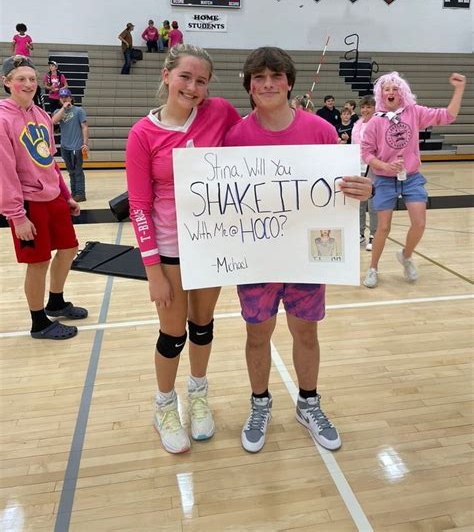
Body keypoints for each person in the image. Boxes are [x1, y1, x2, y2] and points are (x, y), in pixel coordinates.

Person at [223, 47, 372, 453]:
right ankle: (260, 404)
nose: (267, 84)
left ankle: (309, 402)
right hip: (257, 257)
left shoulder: (321, 131)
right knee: (258, 334)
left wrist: (365, 188)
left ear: (289, 81)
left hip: (308, 253)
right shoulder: (234, 136)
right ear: (249, 86)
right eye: (258, 78)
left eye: (275, 76)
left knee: (306, 331)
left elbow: (344, 188)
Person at [125, 44, 241, 454]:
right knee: (173, 334)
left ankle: (197, 394)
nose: (193, 87)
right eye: (186, 77)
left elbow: (256, 150)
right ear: (167, 75)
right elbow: (138, 206)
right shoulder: (142, 134)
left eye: (202, 81)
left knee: (203, 325)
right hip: (171, 248)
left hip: (211, 243)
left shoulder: (220, 112)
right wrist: (153, 270)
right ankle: (164, 406)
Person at [0, 56, 87, 340]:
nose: (28, 84)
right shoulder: (3, 119)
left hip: (53, 197)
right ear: (7, 82)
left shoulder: (40, 115)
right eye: (21, 79)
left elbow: (49, 161)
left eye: (32, 79)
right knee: (38, 262)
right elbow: (4, 171)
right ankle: (39, 323)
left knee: (69, 248)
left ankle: (56, 301)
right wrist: (17, 216)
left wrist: (66, 195)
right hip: (27, 202)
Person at [362, 71, 466, 288]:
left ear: (402, 93)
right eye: (386, 89)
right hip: (384, 179)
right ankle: (373, 268)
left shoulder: (413, 112)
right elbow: (366, 153)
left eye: (395, 88)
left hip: (411, 177)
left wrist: (459, 89)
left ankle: (406, 256)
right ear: (381, 94)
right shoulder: (374, 122)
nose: (391, 92)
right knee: (383, 227)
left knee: (419, 223)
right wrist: (385, 166)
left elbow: (448, 116)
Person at [52, 88, 89, 202]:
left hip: (77, 146)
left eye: (66, 97)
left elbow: (84, 127)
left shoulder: (79, 111)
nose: (64, 99)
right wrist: (63, 108)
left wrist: (85, 143)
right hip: (65, 146)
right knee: (70, 171)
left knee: (77, 170)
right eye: (62, 97)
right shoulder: (58, 111)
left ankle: (81, 194)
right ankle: (74, 193)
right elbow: (53, 121)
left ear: (71, 98)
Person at [352, 95, 378, 249]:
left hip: (373, 169)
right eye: (363, 107)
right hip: (358, 168)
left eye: (368, 107)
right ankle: (359, 233)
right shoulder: (357, 126)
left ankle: (374, 235)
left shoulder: (379, 124)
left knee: (373, 204)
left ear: (375, 108)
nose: (365, 110)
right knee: (359, 204)